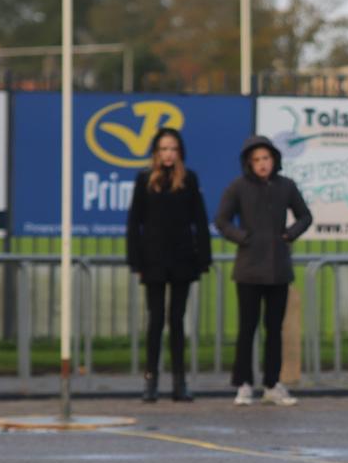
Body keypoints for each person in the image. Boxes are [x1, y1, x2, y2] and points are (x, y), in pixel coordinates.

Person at [215, 135, 312, 407]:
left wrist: (289, 234)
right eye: (256, 160)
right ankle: (244, 384)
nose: (262, 164)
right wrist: (242, 237)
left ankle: (272, 384)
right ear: (249, 163)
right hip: (248, 270)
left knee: (274, 329)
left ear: (274, 160)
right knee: (247, 328)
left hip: (279, 269)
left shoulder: (286, 186)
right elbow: (221, 220)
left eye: (266, 158)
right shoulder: (238, 187)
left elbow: (305, 216)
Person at [125, 127, 212, 402]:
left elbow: (199, 220)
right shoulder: (144, 180)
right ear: (155, 152)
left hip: (182, 259)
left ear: (180, 152)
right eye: (163, 149)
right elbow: (134, 222)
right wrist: (136, 259)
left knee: (177, 321)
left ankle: (179, 382)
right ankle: (150, 381)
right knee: (156, 321)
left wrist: (203, 258)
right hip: (153, 260)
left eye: (173, 149)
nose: (168, 154)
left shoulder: (189, 179)